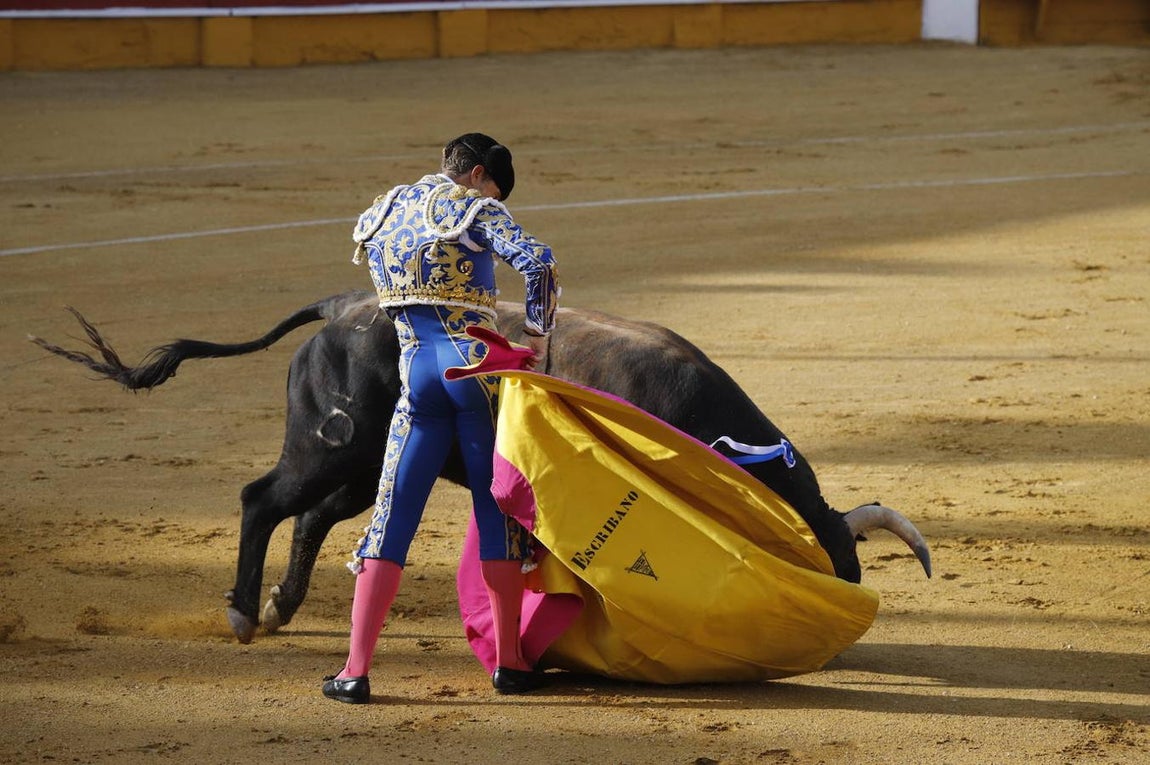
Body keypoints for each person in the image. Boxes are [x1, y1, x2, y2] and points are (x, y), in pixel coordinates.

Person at [322, 133, 559, 704]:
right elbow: (539, 261)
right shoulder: (473, 208)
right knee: (495, 507)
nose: (495, 197)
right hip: (476, 370)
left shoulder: (382, 213)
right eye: (495, 188)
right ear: (477, 174)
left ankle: (355, 671)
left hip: (417, 375)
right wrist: (536, 334)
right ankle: (510, 663)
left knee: (392, 514)